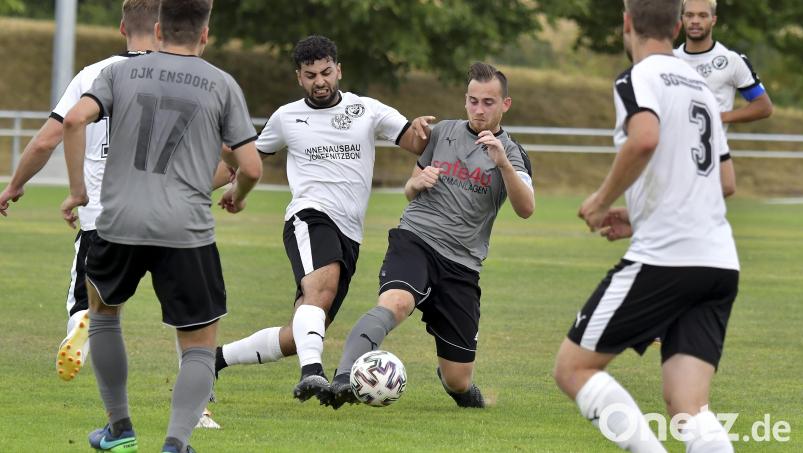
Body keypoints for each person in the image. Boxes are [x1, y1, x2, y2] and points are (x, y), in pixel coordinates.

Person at [60, 0, 262, 451]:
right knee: (197, 344)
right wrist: (236, 195)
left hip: (117, 222)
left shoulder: (116, 73)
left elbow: (74, 120)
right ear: (205, 35)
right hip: (185, 229)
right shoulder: (221, 84)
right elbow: (249, 165)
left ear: (157, 28)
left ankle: (119, 428)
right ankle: (175, 442)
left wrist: (77, 192)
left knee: (104, 316)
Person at [553, 1, 739, 452]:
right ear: (678, 26)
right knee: (688, 407)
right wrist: (637, 216)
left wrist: (600, 201)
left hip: (667, 259)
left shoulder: (637, 77)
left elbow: (645, 138)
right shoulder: (700, 87)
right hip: (718, 262)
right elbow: (725, 181)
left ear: (627, 22)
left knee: (573, 369)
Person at [213, 35, 434, 402]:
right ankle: (312, 373)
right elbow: (240, 162)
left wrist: (424, 131)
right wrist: (200, 187)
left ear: (338, 70)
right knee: (322, 291)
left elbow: (415, 140)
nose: (320, 81)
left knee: (301, 330)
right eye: (310, 74)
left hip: (350, 233)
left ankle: (213, 359)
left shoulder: (366, 109)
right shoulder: (286, 117)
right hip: (309, 215)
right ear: (299, 78)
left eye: (326, 72)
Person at [326, 62, 534, 410]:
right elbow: (411, 189)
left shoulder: (512, 152)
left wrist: (503, 164)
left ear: (505, 104)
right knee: (396, 302)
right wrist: (413, 183)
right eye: (472, 100)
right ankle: (344, 377)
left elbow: (526, 208)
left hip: (463, 264)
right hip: (417, 239)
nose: (478, 109)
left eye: (487, 102)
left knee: (458, 380)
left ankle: (460, 389)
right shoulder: (441, 134)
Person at [0, 0, 159, 383]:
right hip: (163, 212)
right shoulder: (181, 77)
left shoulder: (92, 76)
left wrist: (14, 186)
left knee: (88, 298)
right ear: (162, 29)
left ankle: (84, 324)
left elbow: (46, 141)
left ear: (122, 28)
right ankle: (199, 401)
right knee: (182, 308)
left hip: (101, 212)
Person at [674, 0, 773, 129]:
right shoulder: (669, 58)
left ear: (713, 20)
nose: (695, 21)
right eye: (689, 15)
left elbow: (764, 106)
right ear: (682, 19)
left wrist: (720, 117)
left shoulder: (731, 60)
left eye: (702, 15)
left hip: (715, 149)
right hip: (672, 148)